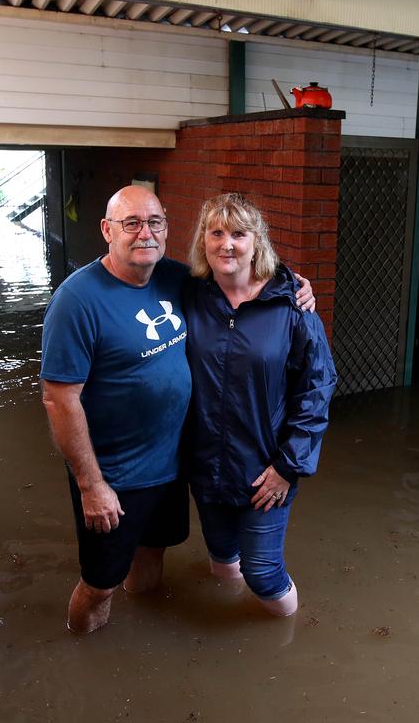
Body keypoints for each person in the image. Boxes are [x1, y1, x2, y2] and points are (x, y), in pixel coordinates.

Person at [40, 185, 314, 634]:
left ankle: (147, 625)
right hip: (115, 475)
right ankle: (82, 652)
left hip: (172, 467)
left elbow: (243, 270)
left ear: (167, 229)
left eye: (154, 222)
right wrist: (92, 486)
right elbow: (58, 398)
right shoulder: (77, 300)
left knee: (153, 552)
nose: (144, 233)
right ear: (107, 230)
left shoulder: (176, 279)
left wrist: (295, 284)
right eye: (131, 223)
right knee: (100, 582)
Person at [182, 193, 337, 617]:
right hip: (206, 464)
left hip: (267, 468)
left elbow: (318, 388)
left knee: (263, 573)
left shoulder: (292, 305)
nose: (226, 244)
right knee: (220, 559)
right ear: (203, 242)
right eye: (216, 233)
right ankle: (225, 643)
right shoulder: (191, 295)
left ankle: (291, 641)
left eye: (238, 234)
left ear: (258, 242)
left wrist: (289, 466)